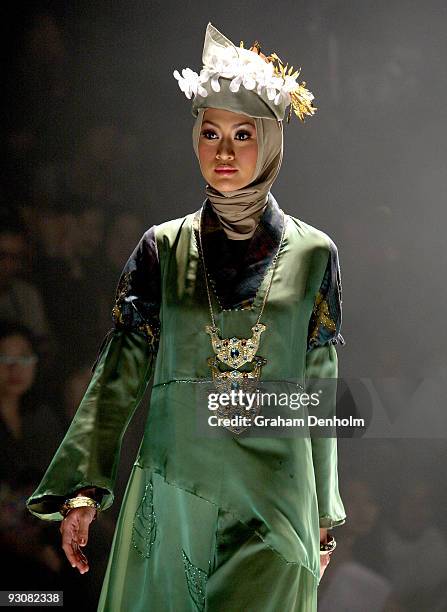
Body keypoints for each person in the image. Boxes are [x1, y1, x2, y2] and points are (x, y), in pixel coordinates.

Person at [26, 23, 347, 611]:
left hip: (275, 504)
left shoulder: (314, 255)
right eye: (210, 133)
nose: (224, 152)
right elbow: (118, 372)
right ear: (194, 140)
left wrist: (323, 514)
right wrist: (82, 488)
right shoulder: (161, 249)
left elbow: (318, 391)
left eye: (243, 134)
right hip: (173, 494)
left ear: (271, 140)